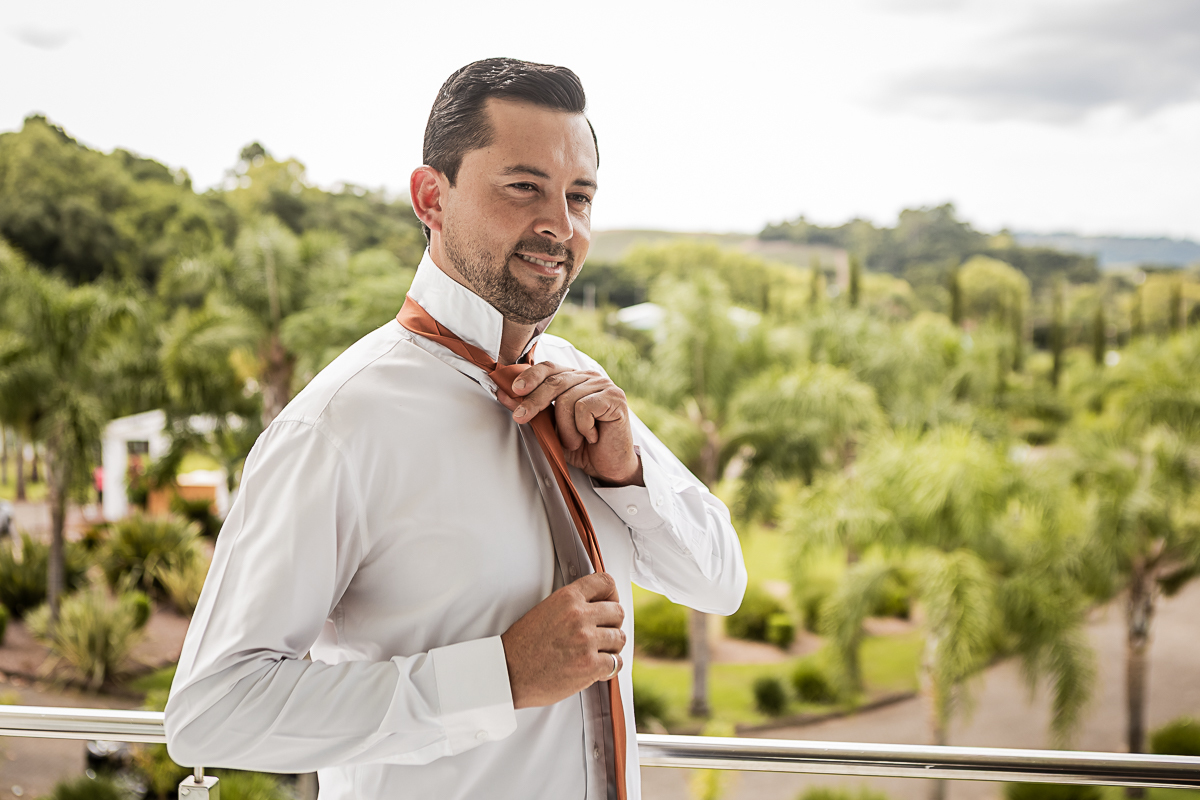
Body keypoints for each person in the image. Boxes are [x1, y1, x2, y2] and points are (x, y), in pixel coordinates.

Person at [164, 57, 746, 800]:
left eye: (579, 196)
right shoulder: (338, 425)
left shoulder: (579, 384)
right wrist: (496, 678)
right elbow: (212, 712)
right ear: (431, 198)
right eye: (524, 186)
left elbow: (719, 582)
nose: (560, 226)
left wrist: (627, 475)